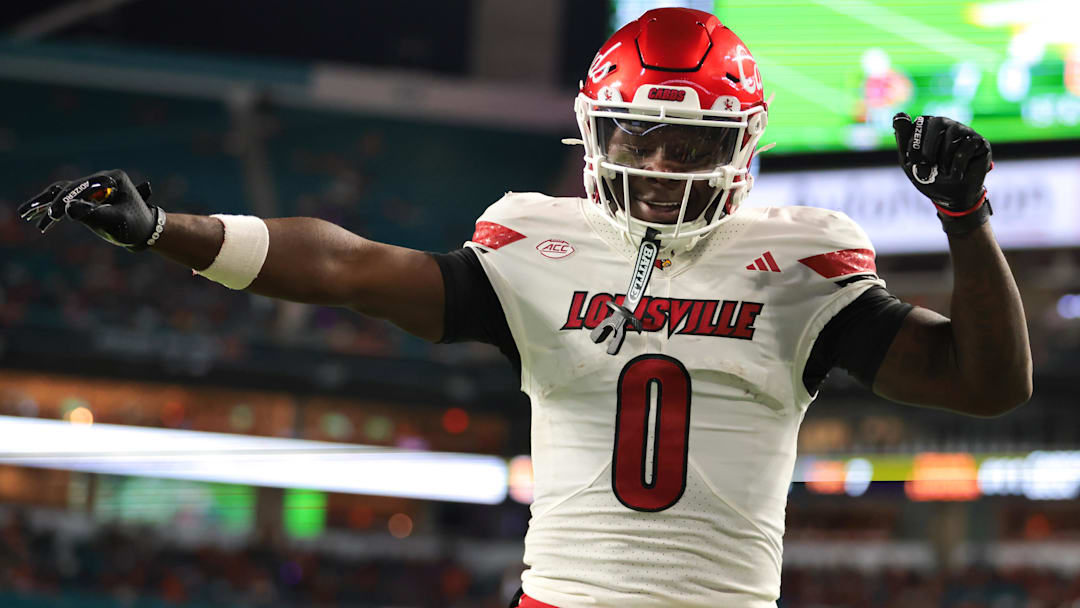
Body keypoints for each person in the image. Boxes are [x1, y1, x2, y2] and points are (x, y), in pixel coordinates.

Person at [17, 8, 1031, 608]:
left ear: (743, 149)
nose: (664, 164)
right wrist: (170, 229)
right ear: (598, 133)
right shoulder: (544, 246)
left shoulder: (797, 261)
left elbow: (987, 384)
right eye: (642, 136)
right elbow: (352, 267)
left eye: (690, 144)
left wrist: (965, 217)